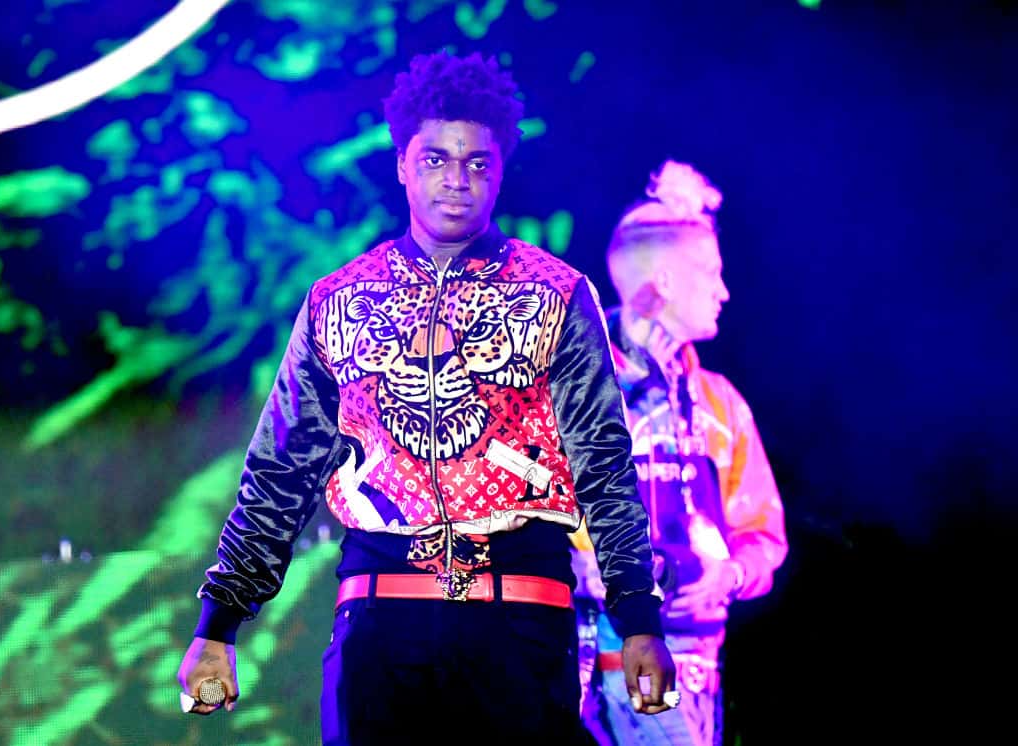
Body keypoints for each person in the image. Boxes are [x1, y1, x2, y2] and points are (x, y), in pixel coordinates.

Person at [176, 51, 676, 745]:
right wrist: (219, 624)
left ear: (500, 171)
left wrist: (639, 617)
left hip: (522, 626)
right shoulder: (339, 299)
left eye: (477, 163)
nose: (456, 181)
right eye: (436, 159)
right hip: (379, 630)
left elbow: (604, 464)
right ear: (402, 165)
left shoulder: (556, 293)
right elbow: (281, 471)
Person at [572, 160, 788, 746]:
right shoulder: (576, 391)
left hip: (697, 670)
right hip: (595, 654)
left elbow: (764, 535)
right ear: (664, 281)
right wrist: (586, 568)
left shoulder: (720, 405)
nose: (723, 291)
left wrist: (728, 574)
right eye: (710, 273)